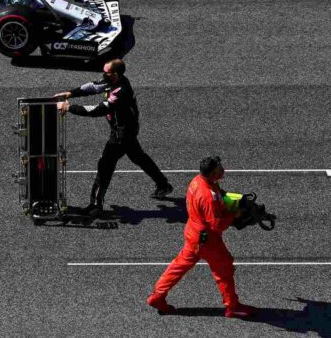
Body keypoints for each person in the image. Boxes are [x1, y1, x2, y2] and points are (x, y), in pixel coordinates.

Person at [55, 59, 173, 217]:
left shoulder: (121, 91)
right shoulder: (113, 80)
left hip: (121, 134)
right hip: (126, 129)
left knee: (104, 165)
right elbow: (94, 86)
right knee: (138, 156)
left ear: (115, 74)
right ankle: (163, 184)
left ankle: (95, 205)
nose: (103, 75)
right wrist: (71, 93)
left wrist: (69, 107)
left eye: (106, 73)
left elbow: (98, 109)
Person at [147, 156, 259, 318]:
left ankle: (157, 296)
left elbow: (220, 196)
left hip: (193, 233)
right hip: (207, 241)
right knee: (224, 269)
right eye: (220, 168)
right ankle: (232, 306)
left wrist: (236, 199)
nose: (223, 170)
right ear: (213, 173)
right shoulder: (208, 197)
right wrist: (235, 214)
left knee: (178, 267)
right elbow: (217, 224)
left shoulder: (198, 181)